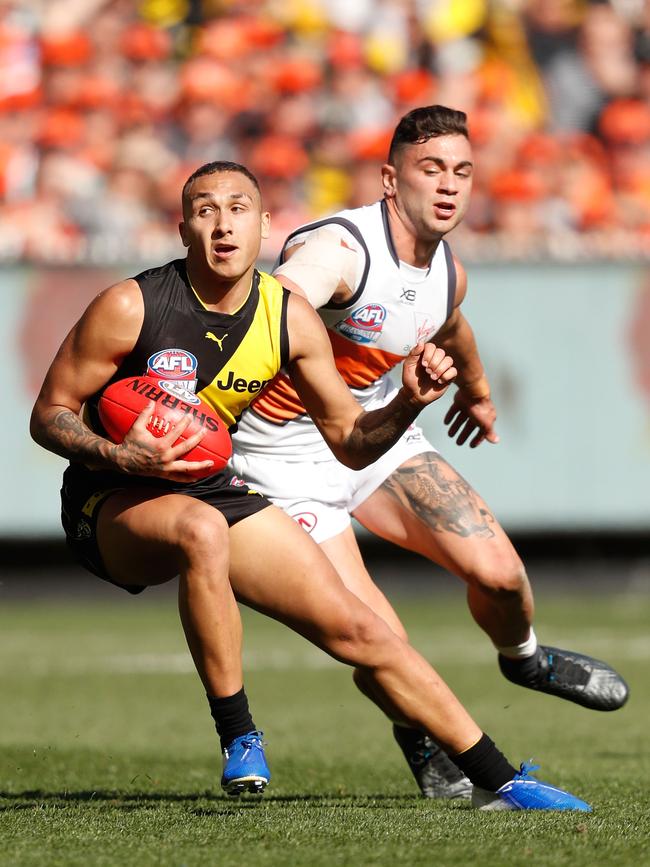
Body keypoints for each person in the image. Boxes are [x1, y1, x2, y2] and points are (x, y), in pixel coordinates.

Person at [30, 159, 591, 811]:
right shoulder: (131, 304)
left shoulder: (289, 317)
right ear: (182, 228)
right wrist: (120, 453)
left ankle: (501, 780)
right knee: (199, 530)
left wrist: (407, 402)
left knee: (366, 630)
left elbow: (351, 441)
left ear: (265, 225)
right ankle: (239, 735)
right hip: (110, 497)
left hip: (208, 484)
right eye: (206, 210)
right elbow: (49, 413)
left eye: (239, 208)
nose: (223, 224)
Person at [229, 107, 629, 799]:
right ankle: (418, 733)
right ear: (390, 179)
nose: (449, 185)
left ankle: (525, 659)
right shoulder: (340, 250)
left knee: (502, 575)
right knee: (377, 636)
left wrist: (474, 390)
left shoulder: (448, 269)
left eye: (462, 171)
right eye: (431, 168)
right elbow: (275, 308)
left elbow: (449, 322)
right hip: (279, 463)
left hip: (377, 437)